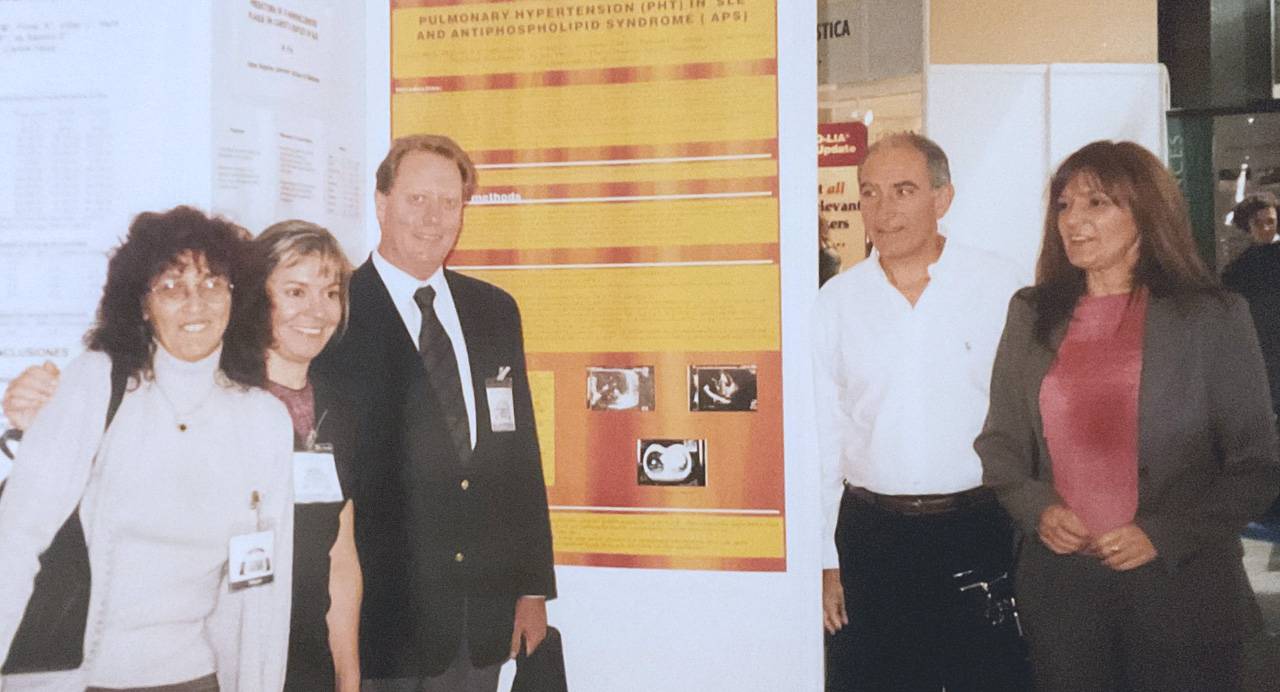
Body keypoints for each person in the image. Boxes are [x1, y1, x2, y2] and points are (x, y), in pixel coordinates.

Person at [4, 221, 369, 691]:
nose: (195, 302)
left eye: (213, 284)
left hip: (204, 674)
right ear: (143, 301)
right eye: (173, 286)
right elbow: (16, 539)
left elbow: (264, 590)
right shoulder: (101, 383)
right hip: (82, 676)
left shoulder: (263, 418)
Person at [976, 140, 1280, 691]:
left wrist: (1162, 534)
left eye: (1096, 203)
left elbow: (1256, 466)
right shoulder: (1031, 313)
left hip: (1181, 591)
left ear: (1145, 212)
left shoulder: (1212, 317)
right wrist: (1039, 510)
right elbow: (999, 446)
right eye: (1064, 206)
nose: (1074, 221)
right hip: (1062, 594)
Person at [309, 134, 555, 691]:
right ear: (381, 203)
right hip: (381, 622)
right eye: (417, 199)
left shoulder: (494, 311)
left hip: (480, 619)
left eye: (450, 203)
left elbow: (519, 456)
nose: (434, 218)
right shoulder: (335, 311)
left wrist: (532, 588)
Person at [812, 132, 1029, 691]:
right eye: (870, 193)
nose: (883, 210)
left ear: (943, 198)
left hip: (978, 529)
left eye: (903, 190)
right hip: (871, 539)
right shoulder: (837, 301)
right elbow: (823, 436)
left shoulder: (1001, 286)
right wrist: (824, 558)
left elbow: (1031, 417)